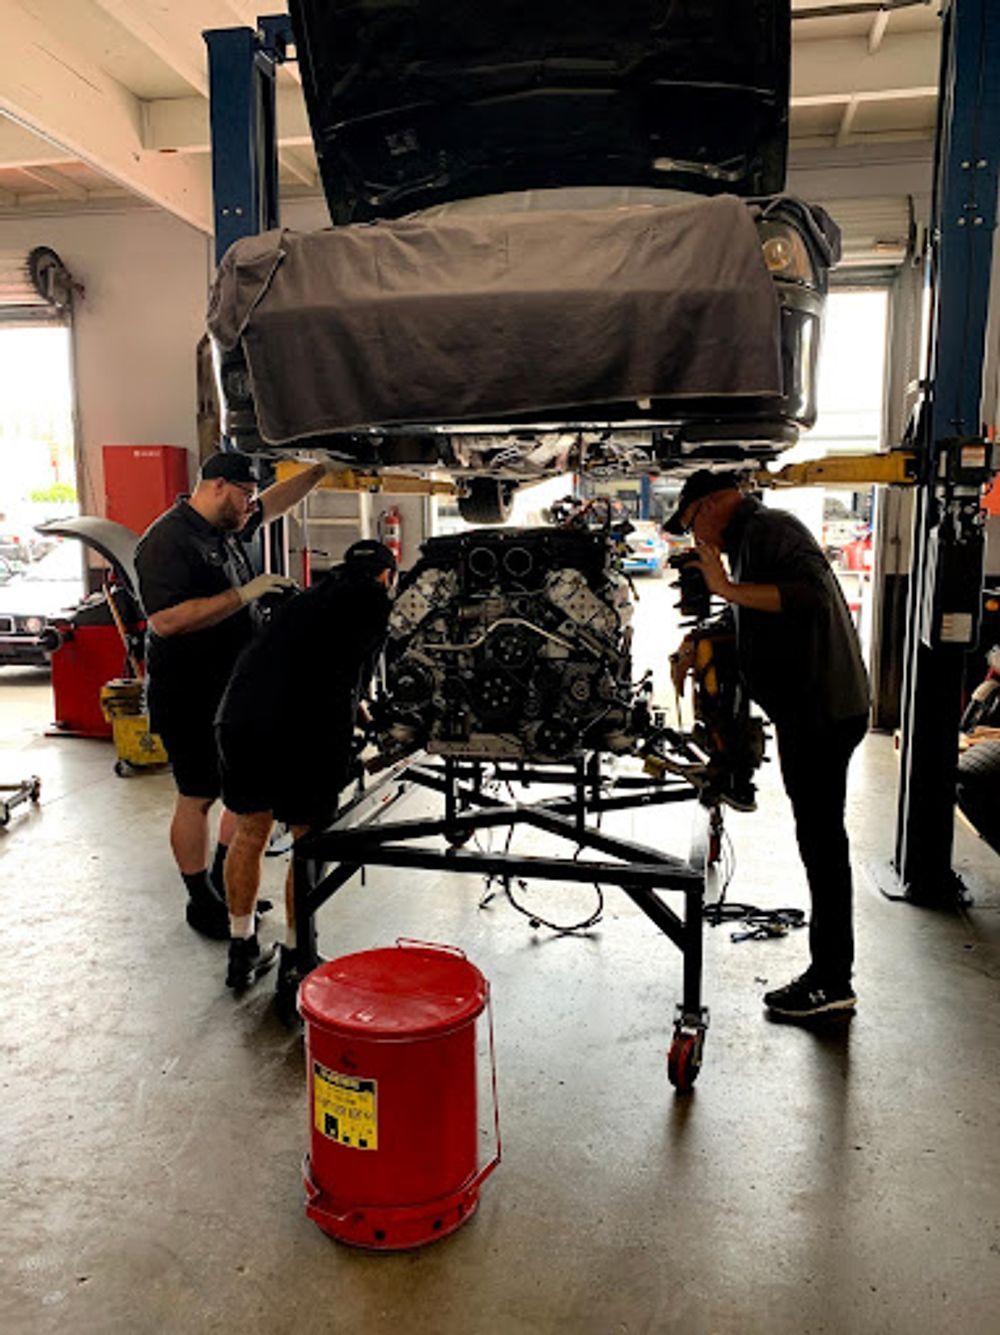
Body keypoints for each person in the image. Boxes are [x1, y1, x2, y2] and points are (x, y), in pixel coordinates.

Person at [664, 470, 870, 1020]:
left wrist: (724, 587)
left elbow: (808, 598)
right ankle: (830, 974)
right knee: (820, 841)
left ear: (711, 504)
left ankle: (832, 981)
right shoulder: (754, 538)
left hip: (823, 713)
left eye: (691, 525)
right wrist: (703, 637)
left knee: (823, 845)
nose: (696, 541)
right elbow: (761, 613)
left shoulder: (771, 528)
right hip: (815, 709)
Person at [134, 451, 332, 939]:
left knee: (244, 797)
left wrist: (320, 469)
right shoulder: (167, 540)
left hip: (235, 689)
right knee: (197, 796)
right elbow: (167, 621)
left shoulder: (227, 523)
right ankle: (200, 899)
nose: (251, 507)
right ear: (218, 485)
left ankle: (228, 884)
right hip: (187, 691)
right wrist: (245, 594)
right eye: (245, 495)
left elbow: (274, 502)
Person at [213, 539, 397, 998]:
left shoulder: (307, 600)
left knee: (250, 830)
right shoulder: (375, 603)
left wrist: (358, 712)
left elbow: (314, 667)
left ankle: (241, 948)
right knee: (306, 840)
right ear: (386, 576)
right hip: (305, 730)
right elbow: (353, 676)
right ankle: (298, 955)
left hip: (239, 718)